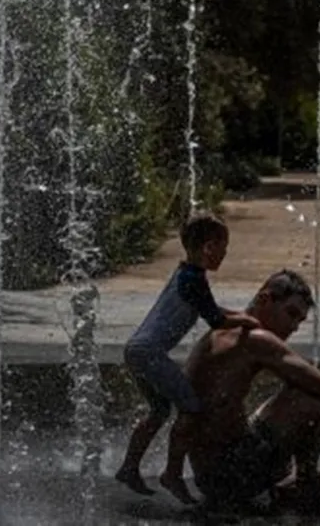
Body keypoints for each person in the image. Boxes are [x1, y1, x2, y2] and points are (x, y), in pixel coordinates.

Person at [182, 269, 320, 513]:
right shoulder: (255, 338)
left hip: (210, 474)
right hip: (231, 475)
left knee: (294, 392)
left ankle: (287, 485)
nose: (293, 327)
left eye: (299, 321)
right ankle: (305, 484)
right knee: (311, 396)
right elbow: (313, 381)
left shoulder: (225, 330)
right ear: (265, 299)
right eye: (290, 314)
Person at [115, 211, 261, 503]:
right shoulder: (194, 279)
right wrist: (248, 321)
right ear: (209, 247)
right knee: (192, 409)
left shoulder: (186, 273)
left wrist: (240, 315)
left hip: (136, 350)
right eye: (223, 249)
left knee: (159, 411)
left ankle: (129, 468)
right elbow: (216, 320)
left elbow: (210, 309)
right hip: (150, 353)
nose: (224, 255)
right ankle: (172, 474)